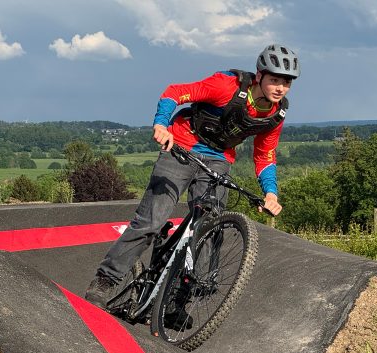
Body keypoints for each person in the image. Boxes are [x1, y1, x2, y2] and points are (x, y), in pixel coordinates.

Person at [85, 44, 300, 308]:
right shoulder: (225, 85)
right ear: (259, 75)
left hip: (218, 158)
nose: (280, 88)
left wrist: (270, 192)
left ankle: (180, 300)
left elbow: (265, 154)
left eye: (286, 82)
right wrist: (162, 125)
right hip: (181, 147)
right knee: (152, 221)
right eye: (275, 80)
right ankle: (105, 280)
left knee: (209, 227)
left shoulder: (275, 114)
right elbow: (174, 93)